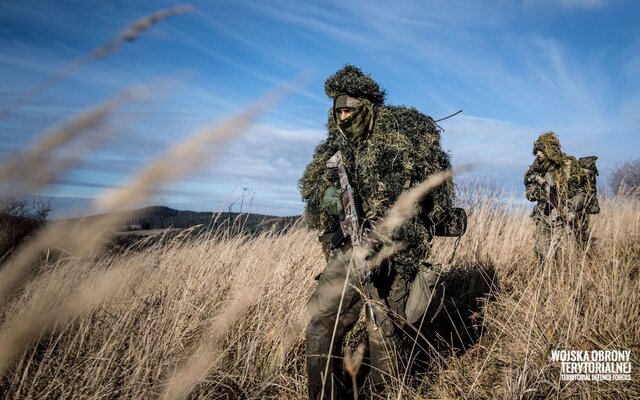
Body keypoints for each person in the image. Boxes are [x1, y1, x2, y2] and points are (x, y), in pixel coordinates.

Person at [299, 65, 455, 399]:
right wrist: (326, 200)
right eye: (338, 111)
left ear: (366, 108)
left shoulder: (397, 145)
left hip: (395, 254)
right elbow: (315, 203)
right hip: (349, 254)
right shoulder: (332, 152)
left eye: (350, 110)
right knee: (320, 324)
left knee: (383, 329)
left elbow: (418, 203)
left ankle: (387, 393)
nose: (343, 117)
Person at [524, 131, 589, 264]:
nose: (537, 154)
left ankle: (564, 281)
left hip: (565, 216)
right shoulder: (535, 169)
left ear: (549, 150)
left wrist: (571, 208)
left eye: (540, 150)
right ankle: (546, 279)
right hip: (544, 216)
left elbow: (582, 191)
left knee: (567, 256)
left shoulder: (568, 166)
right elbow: (529, 193)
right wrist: (541, 193)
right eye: (536, 150)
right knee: (542, 251)